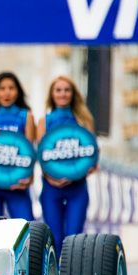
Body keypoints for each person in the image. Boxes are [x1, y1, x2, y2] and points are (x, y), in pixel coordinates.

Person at [37, 76, 97, 244]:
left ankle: (71, 271)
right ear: (52, 94)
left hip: (77, 189)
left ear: (73, 94)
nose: (62, 94)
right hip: (51, 189)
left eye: (66, 90)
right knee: (54, 238)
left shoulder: (84, 120)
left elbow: (91, 155)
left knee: (74, 239)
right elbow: (41, 157)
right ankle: (55, 271)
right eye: (58, 90)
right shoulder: (44, 121)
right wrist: (52, 179)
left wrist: (90, 168)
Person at [0, 72, 36, 220]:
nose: (7, 92)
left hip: (17, 185)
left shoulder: (26, 116)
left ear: (18, 91)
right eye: (2, 88)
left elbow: (30, 151)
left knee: (27, 229)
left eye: (11, 88)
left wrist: (30, 178)